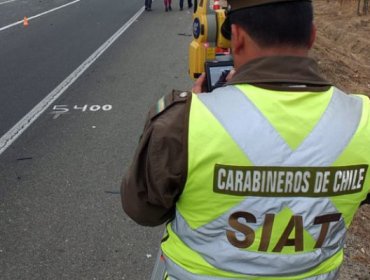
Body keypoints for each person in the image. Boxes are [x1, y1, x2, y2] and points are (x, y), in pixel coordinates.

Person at [121, 0, 370, 279]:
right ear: (312, 35)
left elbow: (143, 210)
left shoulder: (184, 121)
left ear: (236, 37)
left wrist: (200, 110)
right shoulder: (362, 120)